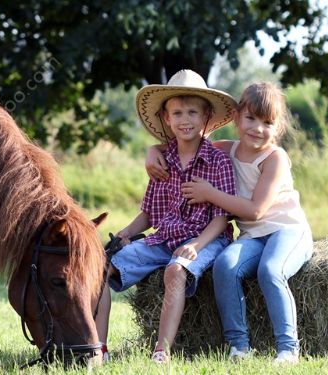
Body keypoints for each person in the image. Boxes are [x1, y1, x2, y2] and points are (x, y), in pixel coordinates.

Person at [146, 82, 313, 364]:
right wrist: (152, 151)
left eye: (267, 122)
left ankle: (288, 348)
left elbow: (256, 211)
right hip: (253, 238)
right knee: (225, 266)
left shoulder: (275, 158)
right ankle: (239, 346)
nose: (257, 129)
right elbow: (182, 145)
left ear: (278, 127)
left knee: (270, 271)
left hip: (286, 231)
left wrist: (210, 194)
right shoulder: (227, 149)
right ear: (236, 118)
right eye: (250, 119)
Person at [95, 69, 237, 364]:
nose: (185, 120)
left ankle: (161, 350)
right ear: (166, 118)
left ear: (206, 116)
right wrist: (124, 233)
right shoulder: (162, 161)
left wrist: (196, 245)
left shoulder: (218, 161)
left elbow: (223, 218)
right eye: (178, 113)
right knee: (100, 267)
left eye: (193, 112)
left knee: (175, 270)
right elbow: (150, 214)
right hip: (165, 238)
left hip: (207, 237)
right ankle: (99, 348)